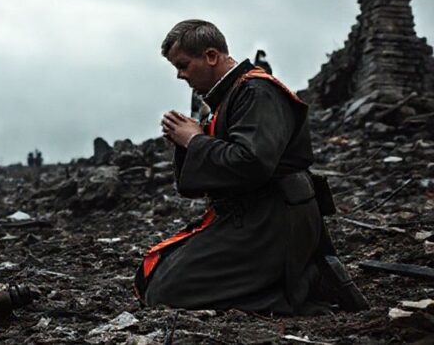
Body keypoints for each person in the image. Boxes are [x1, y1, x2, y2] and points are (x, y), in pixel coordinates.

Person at [134, 19, 366, 315]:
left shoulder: (257, 91)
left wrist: (195, 141)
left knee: (168, 292)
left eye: (183, 65)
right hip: (248, 215)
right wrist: (188, 143)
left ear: (211, 56)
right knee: (155, 273)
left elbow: (253, 163)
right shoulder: (226, 97)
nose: (180, 76)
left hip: (275, 219)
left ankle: (301, 287)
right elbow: (201, 182)